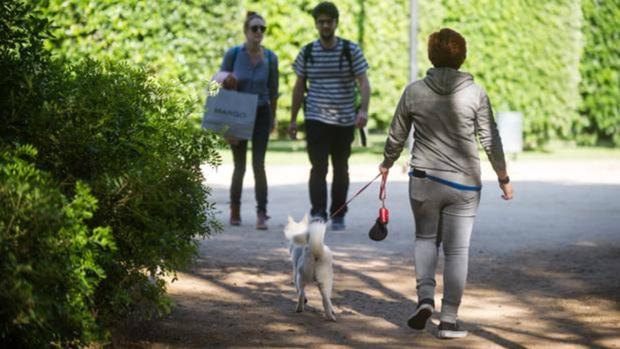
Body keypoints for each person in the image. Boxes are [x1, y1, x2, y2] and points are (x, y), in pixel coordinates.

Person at [379, 28, 514, 339]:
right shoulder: (475, 93)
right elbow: (490, 140)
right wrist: (503, 178)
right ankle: (449, 320)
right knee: (457, 252)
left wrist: (386, 164)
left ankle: (425, 298)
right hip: (464, 185)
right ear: (462, 57)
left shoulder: (413, 91)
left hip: (424, 180)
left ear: (431, 56)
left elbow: (395, 137)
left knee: (425, 240)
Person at [289, 1, 371, 230]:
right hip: (316, 117)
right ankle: (318, 212)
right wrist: (293, 119)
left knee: (341, 167)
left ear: (335, 23)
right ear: (316, 24)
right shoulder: (307, 52)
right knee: (318, 167)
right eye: (321, 22)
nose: (325, 25)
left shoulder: (350, 50)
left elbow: (364, 82)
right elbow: (298, 87)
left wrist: (363, 110)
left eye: (329, 21)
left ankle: (337, 213)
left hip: (344, 119)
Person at [220, 11, 279, 230]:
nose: (259, 32)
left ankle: (261, 213)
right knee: (240, 166)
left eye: (262, 28)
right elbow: (217, 85)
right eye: (254, 28)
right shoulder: (233, 54)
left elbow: (274, 92)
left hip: (262, 113)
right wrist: (227, 80)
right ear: (246, 31)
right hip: (238, 114)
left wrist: (273, 118)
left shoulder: (271, 58)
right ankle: (235, 210)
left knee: (259, 164)